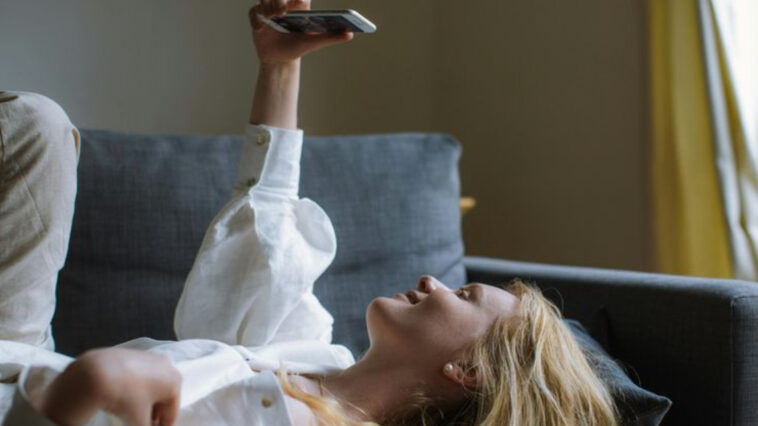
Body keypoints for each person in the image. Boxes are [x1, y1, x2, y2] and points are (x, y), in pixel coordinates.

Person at [0, 0, 620, 425]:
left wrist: (84, 391)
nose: (434, 280)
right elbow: (265, 232)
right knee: (36, 124)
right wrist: (280, 65)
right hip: (19, 356)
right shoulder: (312, 353)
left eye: (464, 295)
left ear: (470, 369)